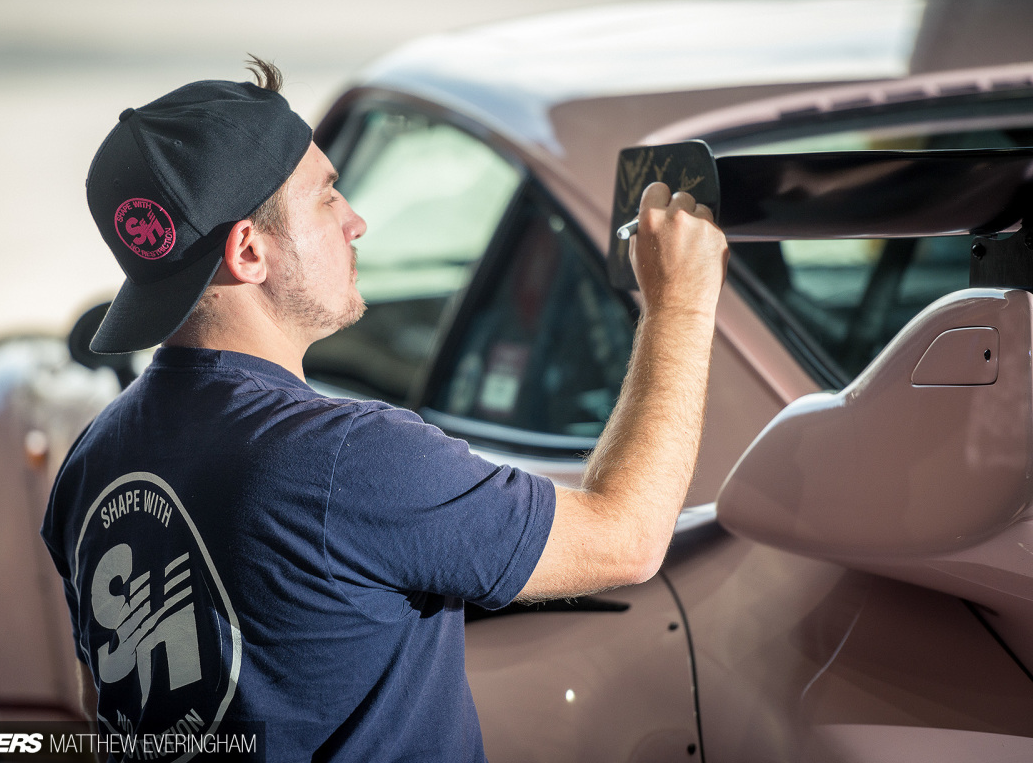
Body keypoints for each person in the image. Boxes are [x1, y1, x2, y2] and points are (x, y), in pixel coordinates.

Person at [40, 58, 727, 762]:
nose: (356, 221)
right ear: (248, 250)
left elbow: (113, 712)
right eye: (327, 198)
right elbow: (627, 539)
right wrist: (680, 302)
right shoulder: (348, 459)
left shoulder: (91, 463)